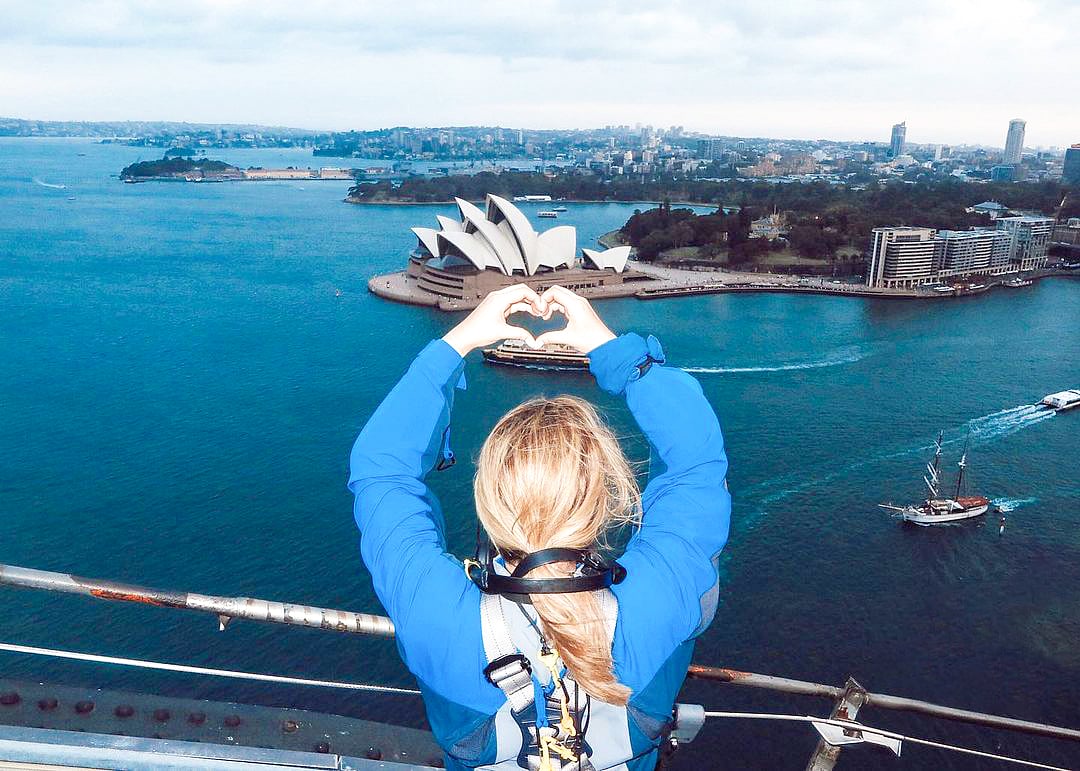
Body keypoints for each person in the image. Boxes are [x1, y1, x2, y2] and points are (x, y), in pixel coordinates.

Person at [349, 284, 732, 770]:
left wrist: (455, 344)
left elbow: (383, 473)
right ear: (606, 498)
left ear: (488, 499)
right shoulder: (664, 596)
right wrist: (617, 353)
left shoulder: (433, 611)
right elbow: (696, 466)